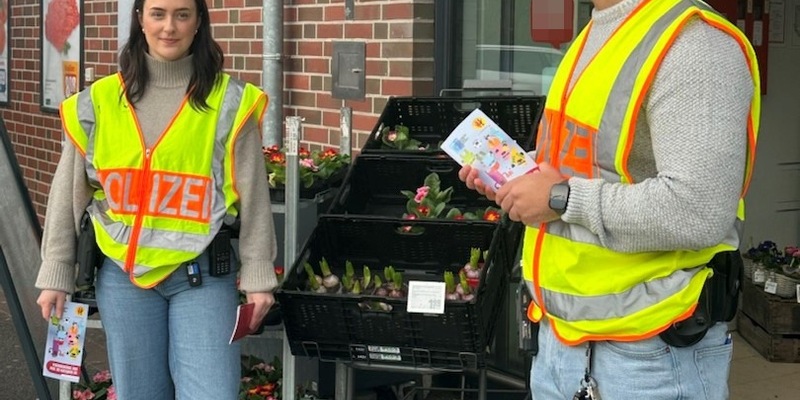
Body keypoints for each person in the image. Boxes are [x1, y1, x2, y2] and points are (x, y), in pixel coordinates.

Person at [460, 0, 760, 398]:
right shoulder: (599, 30)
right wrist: (521, 176)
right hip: (559, 343)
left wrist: (559, 198)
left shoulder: (695, 43)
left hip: (650, 355)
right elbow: (590, 161)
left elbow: (699, 210)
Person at [34, 0, 279, 398]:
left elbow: (254, 197)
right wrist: (56, 271)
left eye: (183, 14)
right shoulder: (98, 102)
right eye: (158, 13)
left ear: (199, 22)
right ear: (140, 19)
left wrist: (258, 278)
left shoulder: (230, 101)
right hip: (123, 278)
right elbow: (67, 193)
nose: (170, 26)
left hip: (201, 278)